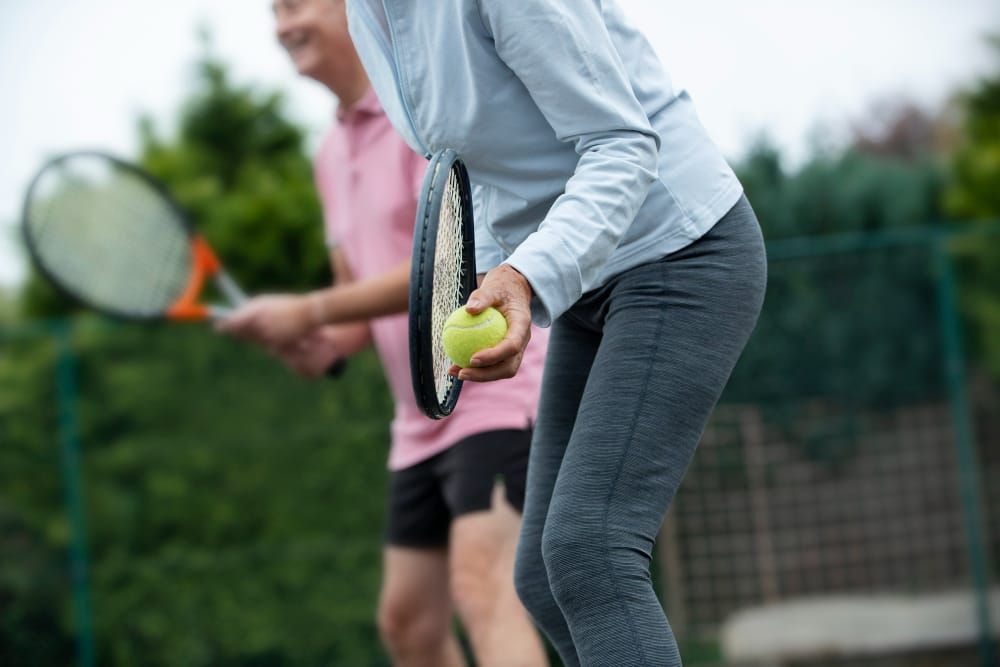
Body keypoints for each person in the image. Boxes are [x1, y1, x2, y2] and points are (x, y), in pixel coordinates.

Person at [227, 0, 767, 665]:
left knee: (588, 549)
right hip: (590, 284)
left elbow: (623, 146)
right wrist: (484, 283)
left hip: (680, 248)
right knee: (542, 575)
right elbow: (472, 177)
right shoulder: (374, 16)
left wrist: (526, 276)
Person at [223, 1, 550, 665]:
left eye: (295, 5)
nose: (282, 26)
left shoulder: (422, 111)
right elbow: (359, 303)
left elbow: (453, 263)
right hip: (416, 423)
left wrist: (310, 308)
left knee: (484, 590)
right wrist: (320, 341)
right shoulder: (327, 153)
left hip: (491, 389)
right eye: (274, 11)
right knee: (408, 622)